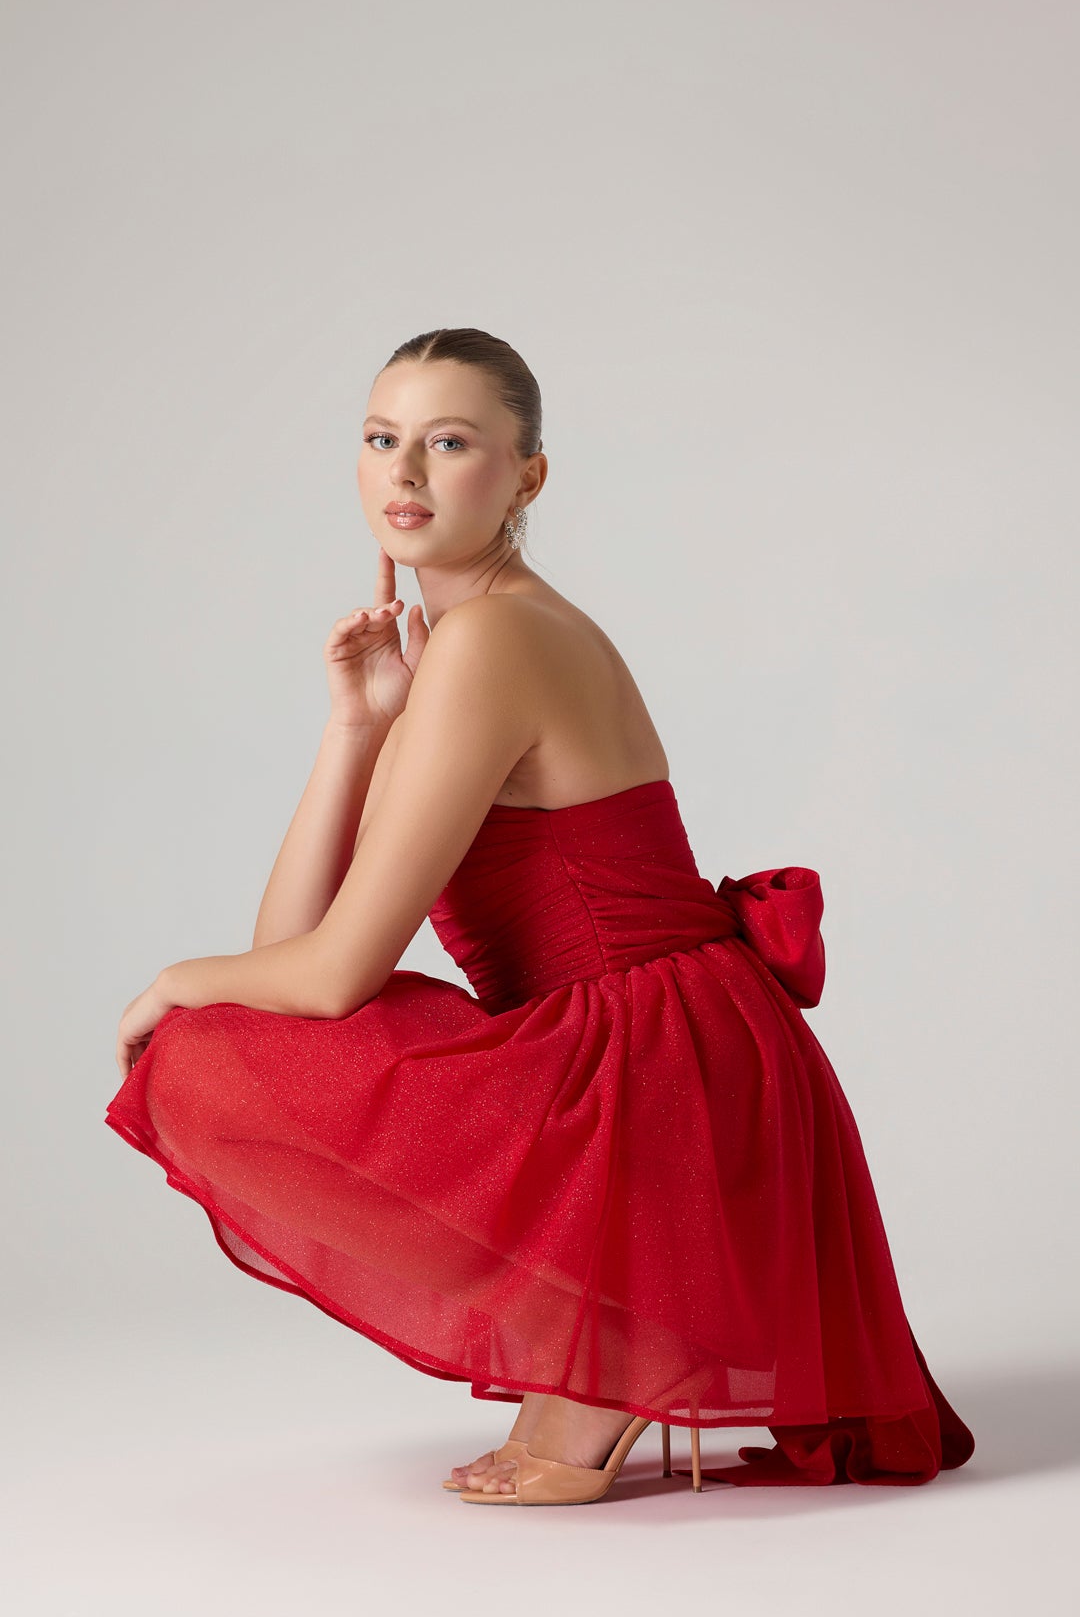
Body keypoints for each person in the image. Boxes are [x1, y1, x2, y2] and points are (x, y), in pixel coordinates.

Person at [106, 325, 974, 1507]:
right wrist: (356, 727)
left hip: (657, 1064)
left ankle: (615, 1348)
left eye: (449, 442)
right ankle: (606, 1336)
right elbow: (290, 961)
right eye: (382, 439)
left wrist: (168, 981)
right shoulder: (467, 641)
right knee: (231, 1037)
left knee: (200, 1042)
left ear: (528, 475)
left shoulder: (497, 636)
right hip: (651, 1045)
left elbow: (330, 974)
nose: (405, 473)